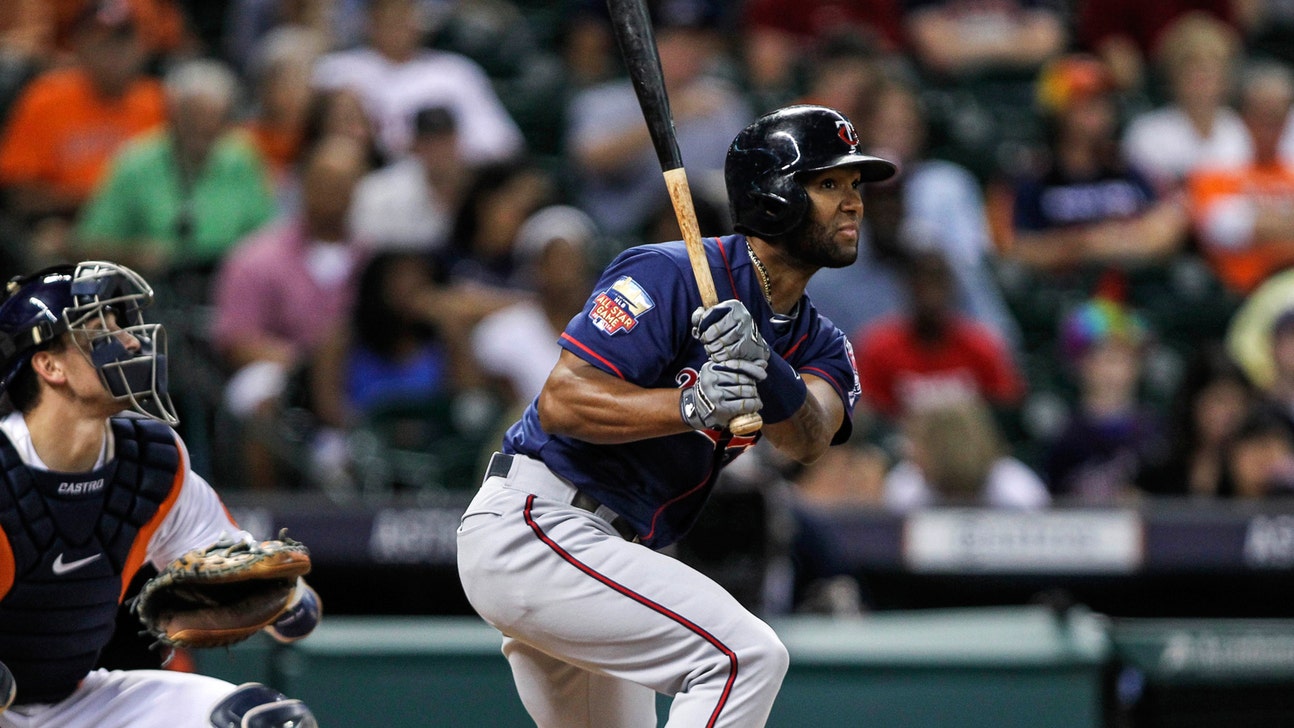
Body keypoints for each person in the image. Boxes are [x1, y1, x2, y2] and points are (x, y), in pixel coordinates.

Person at [457, 104, 894, 726]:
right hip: (541, 523)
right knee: (743, 658)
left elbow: (810, 437)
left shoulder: (821, 342)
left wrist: (765, 367)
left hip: (610, 550)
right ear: (772, 195)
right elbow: (563, 401)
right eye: (829, 184)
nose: (853, 202)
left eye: (855, 186)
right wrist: (691, 403)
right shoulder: (672, 273)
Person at [0, 260, 320, 727]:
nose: (129, 341)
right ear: (49, 365)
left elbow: (235, 564)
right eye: (98, 331)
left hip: (70, 700)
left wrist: (288, 602)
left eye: (120, 326)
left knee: (267, 720)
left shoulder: (150, 459)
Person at [1189, 61, 1294, 294]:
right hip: (1245, 290)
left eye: (1280, 117)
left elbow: (1253, 226)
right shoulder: (1216, 164)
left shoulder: (1290, 168)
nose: (1272, 128)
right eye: (1264, 117)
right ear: (1244, 116)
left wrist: (1265, 222)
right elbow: (1223, 228)